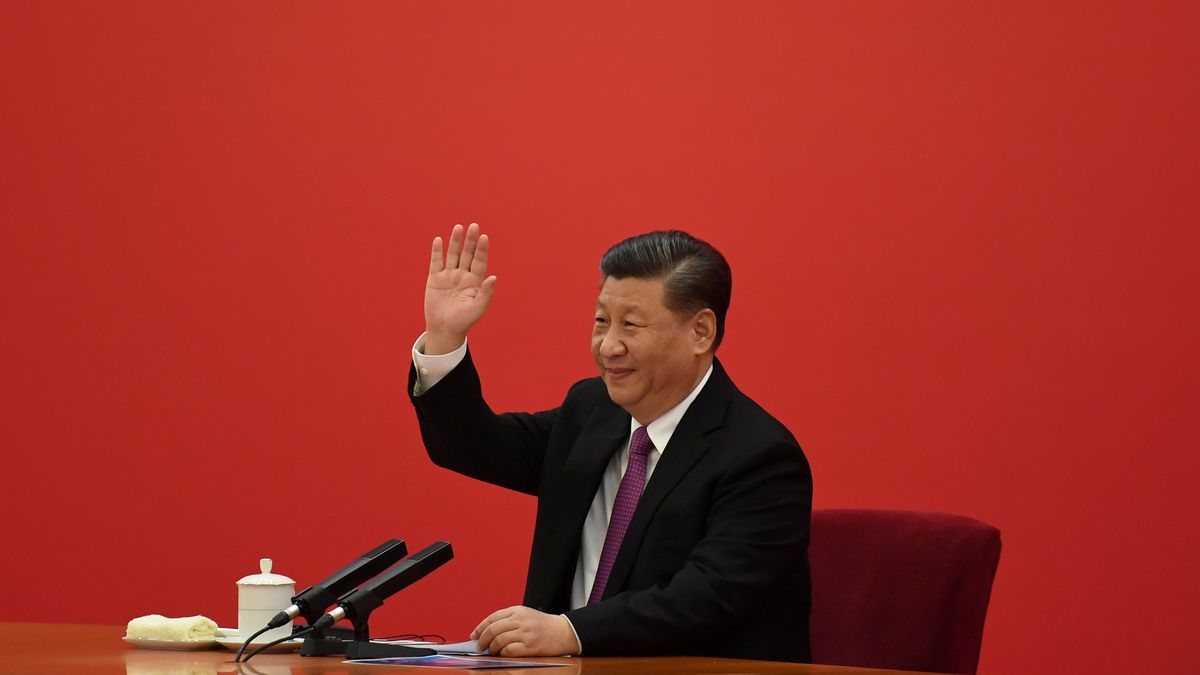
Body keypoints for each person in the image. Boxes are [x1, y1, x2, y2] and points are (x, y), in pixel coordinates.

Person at [408, 223, 812, 662]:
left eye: (631, 325)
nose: (608, 346)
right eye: (602, 321)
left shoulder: (761, 457)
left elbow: (705, 597)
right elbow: (472, 446)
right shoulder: (592, 411)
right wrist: (444, 336)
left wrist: (570, 631)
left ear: (700, 332)